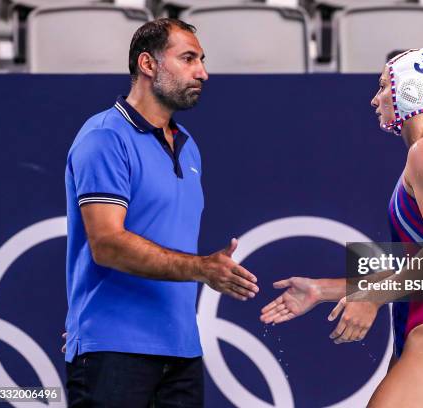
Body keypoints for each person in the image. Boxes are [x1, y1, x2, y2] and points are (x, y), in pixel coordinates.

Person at [260, 48, 423, 407]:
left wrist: (374, 299)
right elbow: (416, 265)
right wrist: (321, 289)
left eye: (382, 86)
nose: (375, 99)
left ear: (407, 89)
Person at [64, 18, 259, 407]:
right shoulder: (104, 137)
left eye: (201, 60)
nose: (202, 72)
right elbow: (107, 244)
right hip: (113, 351)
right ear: (148, 65)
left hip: (182, 351)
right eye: (188, 58)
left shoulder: (189, 146)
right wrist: (203, 268)